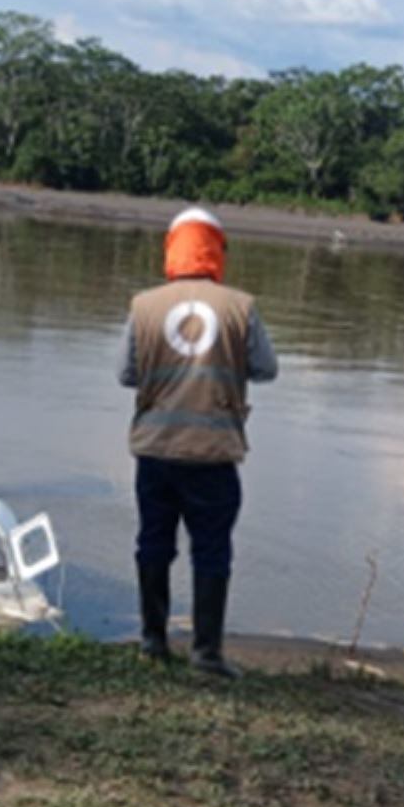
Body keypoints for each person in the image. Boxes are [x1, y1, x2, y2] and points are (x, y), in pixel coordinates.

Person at [118, 207, 277, 678]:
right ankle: (207, 654)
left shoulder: (143, 305)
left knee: (153, 542)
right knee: (211, 548)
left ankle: (152, 641)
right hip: (212, 453)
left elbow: (126, 373)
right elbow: (267, 369)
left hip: (155, 448)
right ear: (216, 248)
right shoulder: (240, 306)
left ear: (172, 247)